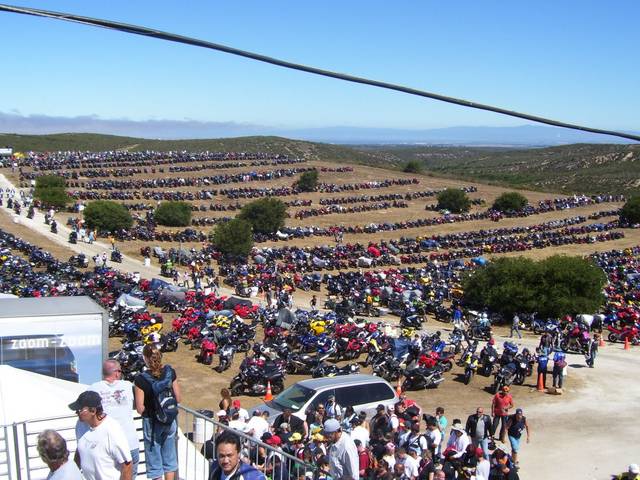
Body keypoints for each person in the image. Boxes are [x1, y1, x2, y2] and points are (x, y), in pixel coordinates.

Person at [134, 344, 181, 480]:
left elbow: (140, 408)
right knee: (170, 459)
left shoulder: (140, 379)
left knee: (154, 462)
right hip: (170, 420)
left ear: (145, 358)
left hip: (152, 422)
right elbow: (178, 398)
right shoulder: (170, 372)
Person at [90, 359, 140, 476]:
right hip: (129, 444)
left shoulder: (93, 389)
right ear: (117, 373)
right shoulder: (128, 386)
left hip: (106, 447)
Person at [70, 391, 133, 480]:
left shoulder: (112, 430)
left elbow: (127, 466)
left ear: (93, 411)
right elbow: (80, 449)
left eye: (80, 410)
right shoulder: (80, 425)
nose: (76, 413)